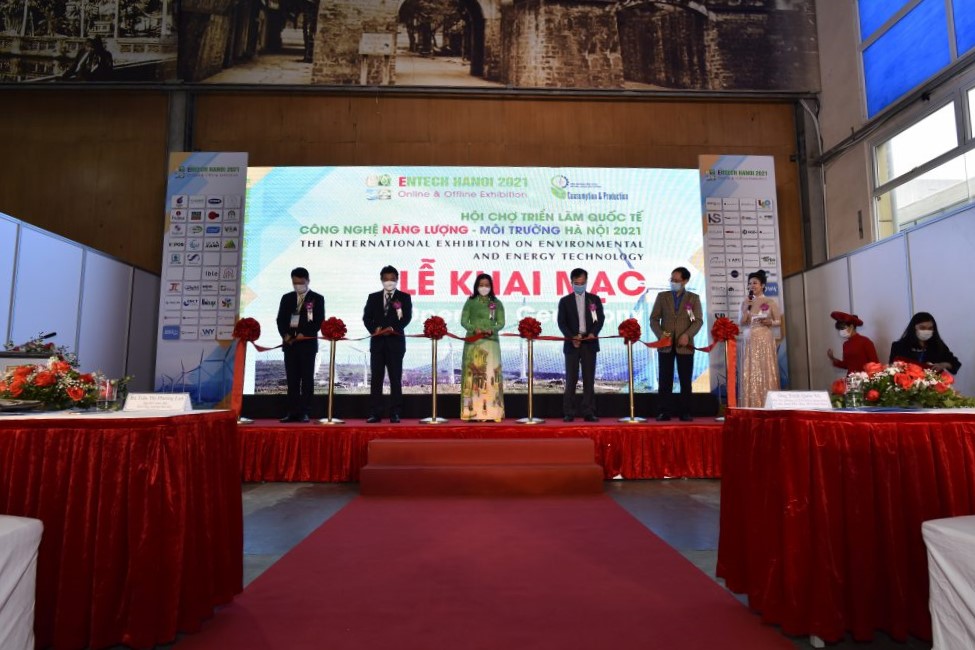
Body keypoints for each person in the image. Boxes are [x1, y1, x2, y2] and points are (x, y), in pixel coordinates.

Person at [649, 266, 703, 421]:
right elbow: (654, 319)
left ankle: (685, 412)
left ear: (685, 281)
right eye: (671, 279)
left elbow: (697, 321)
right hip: (665, 345)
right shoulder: (662, 297)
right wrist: (661, 335)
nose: (673, 282)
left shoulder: (693, 298)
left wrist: (687, 335)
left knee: (685, 380)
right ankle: (664, 411)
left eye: (676, 280)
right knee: (665, 380)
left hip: (684, 346)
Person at [362, 265, 413, 422]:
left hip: (395, 344)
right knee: (376, 379)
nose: (389, 282)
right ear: (381, 280)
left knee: (395, 379)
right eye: (386, 279)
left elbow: (406, 318)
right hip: (377, 344)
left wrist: (393, 328)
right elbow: (366, 318)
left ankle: (395, 413)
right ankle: (375, 413)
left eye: (392, 279)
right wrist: (374, 329)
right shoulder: (373, 297)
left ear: (397, 279)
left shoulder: (404, 297)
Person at [275, 267, 325, 422]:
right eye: (295, 283)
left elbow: (318, 321)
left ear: (308, 281)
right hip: (290, 345)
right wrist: (286, 335)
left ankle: (305, 412)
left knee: (307, 380)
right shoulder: (287, 298)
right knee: (292, 380)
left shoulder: (317, 298)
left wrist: (305, 333)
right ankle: (292, 412)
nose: (298, 286)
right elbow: (280, 320)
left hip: (307, 346)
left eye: (301, 283)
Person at [557, 268, 605, 422]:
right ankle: (569, 412)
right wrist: (572, 337)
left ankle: (588, 411)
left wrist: (593, 333)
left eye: (582, 283)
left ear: (586, 282)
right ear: (571, 282)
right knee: (571, 379)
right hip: (572, 343)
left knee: (589, 379)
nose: (580, 286)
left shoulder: (594, 300)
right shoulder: (565, 301)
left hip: (589, 342)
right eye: (576, 283)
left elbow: (599, 319)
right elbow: (561, 323)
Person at [460, 273, 505, 421]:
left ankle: (493, 412)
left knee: (491, 376)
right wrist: (474, 329)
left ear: (491, 286)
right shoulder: (470, 302)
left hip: (491, 342)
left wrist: (493, 329)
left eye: (486, 285)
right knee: (473, 377)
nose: (484, 287)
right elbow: (463, 321)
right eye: (481, 285)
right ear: (476, 286)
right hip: (474, 343)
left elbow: (501, 323)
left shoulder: (497, 303)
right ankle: (472, 412)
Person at [739, 269, 782, 408]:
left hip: (764, 338)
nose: (752, 285)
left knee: (765, 369)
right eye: (750, 283)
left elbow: (778, 321)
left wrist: (770, 322)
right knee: (751, 370)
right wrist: (745, 309)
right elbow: (742, 322)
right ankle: (751, 403)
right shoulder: (746, 301)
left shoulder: (770, 301)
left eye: (755, 283)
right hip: (749, 339)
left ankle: (767, 403)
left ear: (762, 285)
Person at [889, 311, 961, 374]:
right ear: (914, 328)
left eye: (930, 328)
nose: (926, 331)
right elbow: (891, 369)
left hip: (933, 383)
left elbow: (955, 363)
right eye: (922, 328)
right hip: (906, 383)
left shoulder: (938, 345)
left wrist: (944, 365)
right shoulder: (898, 346)